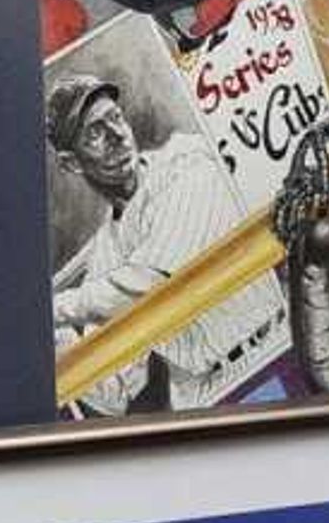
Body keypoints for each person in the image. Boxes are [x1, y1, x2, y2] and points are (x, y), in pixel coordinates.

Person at [46, 74, 282, 413]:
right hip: (201, 398)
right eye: (95, 132)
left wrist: (50, 310)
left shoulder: (186, 161)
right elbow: (119, 394)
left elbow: (150, 282)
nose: (117, 136)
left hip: (271, 346)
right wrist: (57, 341)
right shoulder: (104, 256)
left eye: (115, 117)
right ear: (71, 162)